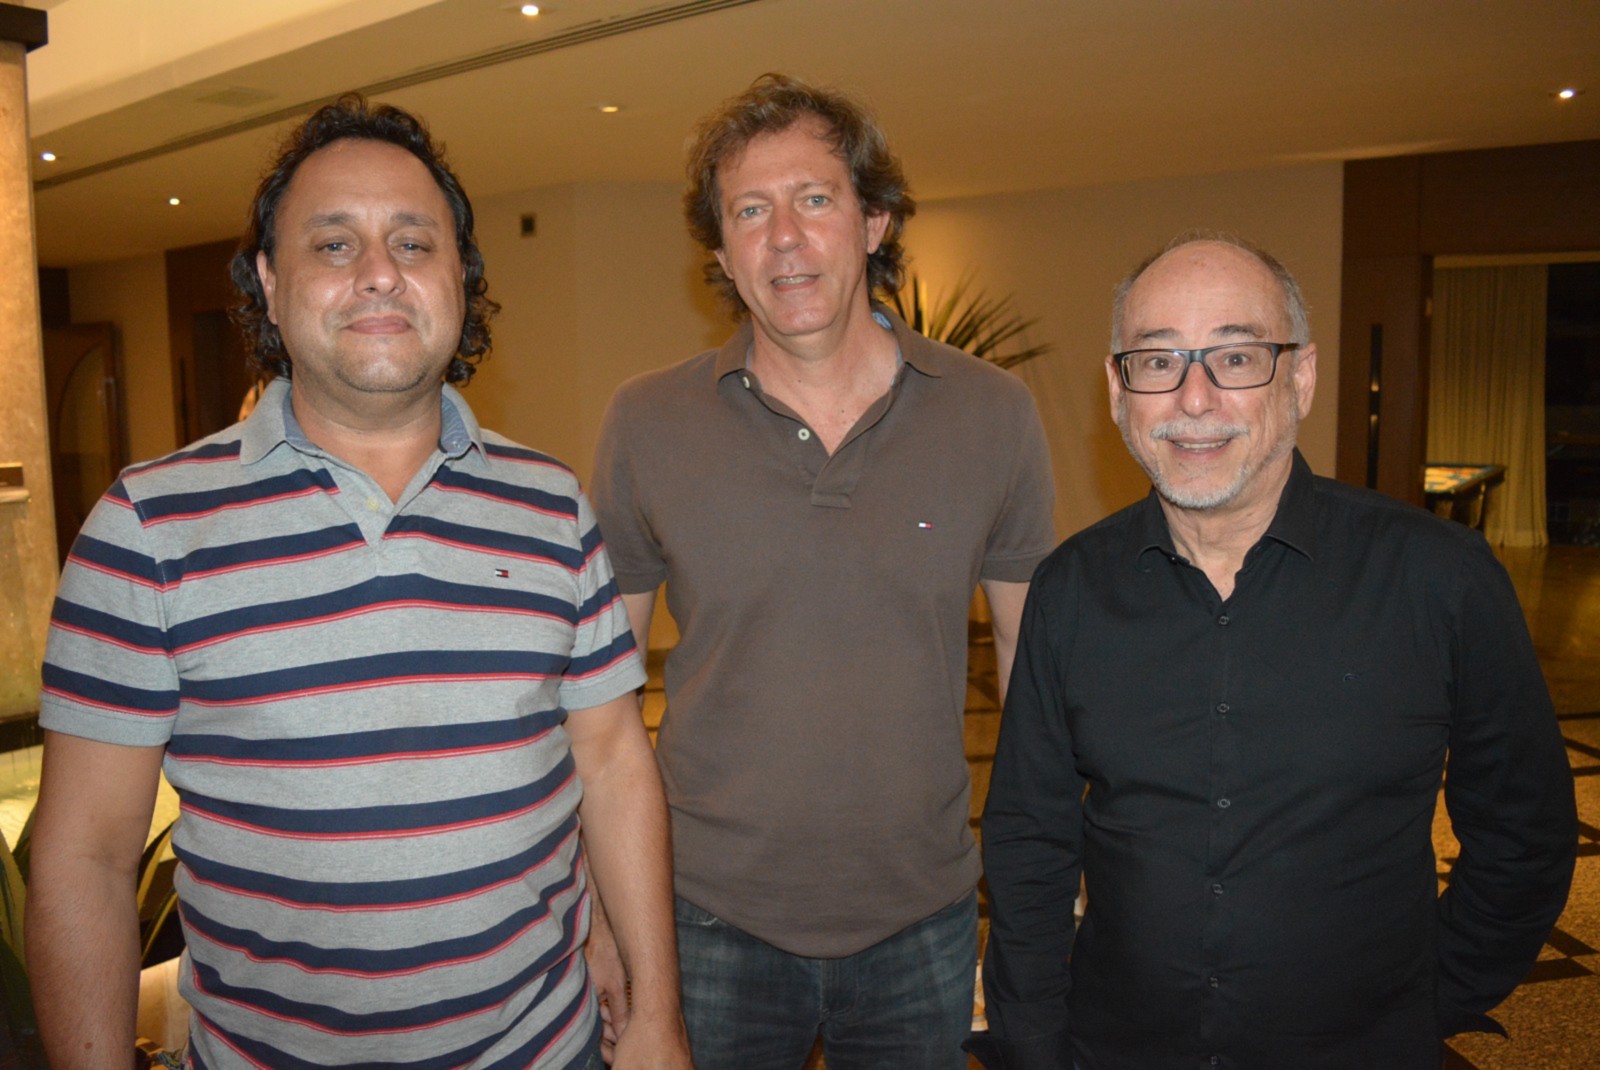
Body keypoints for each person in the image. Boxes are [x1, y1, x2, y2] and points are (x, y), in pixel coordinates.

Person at [27, 94, 691, 1070]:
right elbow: (85, 853)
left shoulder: (552, 505)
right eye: (334, 244)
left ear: (459, 278)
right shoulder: (147, 527)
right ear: (269, 280)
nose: (380, 271)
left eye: (414, 243)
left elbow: (613, 764)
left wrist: (658, 1013)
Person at [975, 233, 1578, 1069]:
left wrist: (1429, 995)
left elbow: (1524, 833)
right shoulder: (1071, 589)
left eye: (1236, 358)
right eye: (1158, 361)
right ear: (1117, 390)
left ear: (1301, 377)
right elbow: (1030, 841)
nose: (1194, 399)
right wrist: (1035, 1043)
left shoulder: (1440, 578)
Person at [589, 74, 1055, 1069]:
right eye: (749, 211)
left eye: (814, 199)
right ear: (721, 253)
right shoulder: (646, 420)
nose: (785, 239)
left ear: (875, 221)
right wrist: (602, 912)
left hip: (922, 917)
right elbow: (601, 707)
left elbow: (1032, 673)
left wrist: (1035, 894)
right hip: (704, 915)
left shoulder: (993, 413)